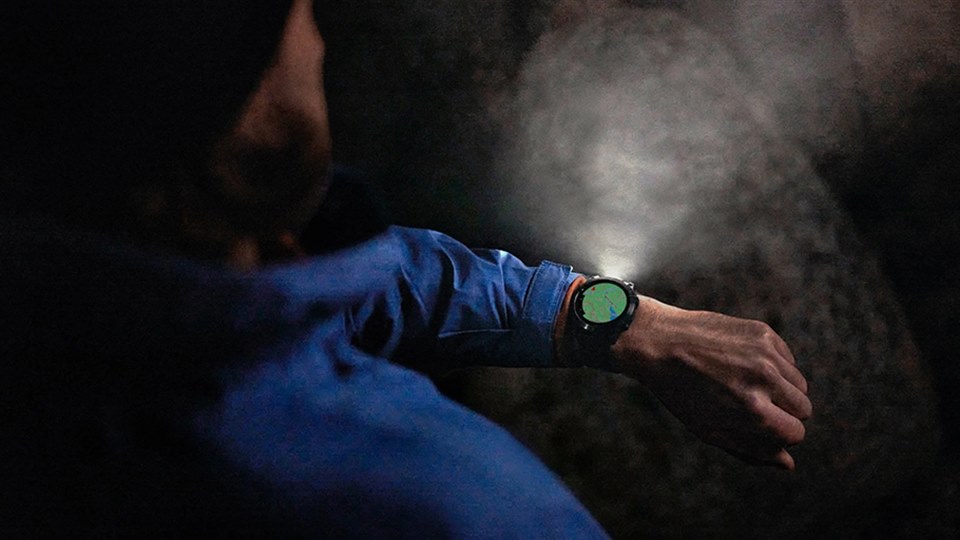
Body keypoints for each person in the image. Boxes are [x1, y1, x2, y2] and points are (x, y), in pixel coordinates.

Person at [0, 0, 811, 536]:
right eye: (294, 17)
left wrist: (606, 316)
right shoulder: (456, 506)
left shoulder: (100, 279)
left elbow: (365, 281)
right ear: (237, 117)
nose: (318, 39)